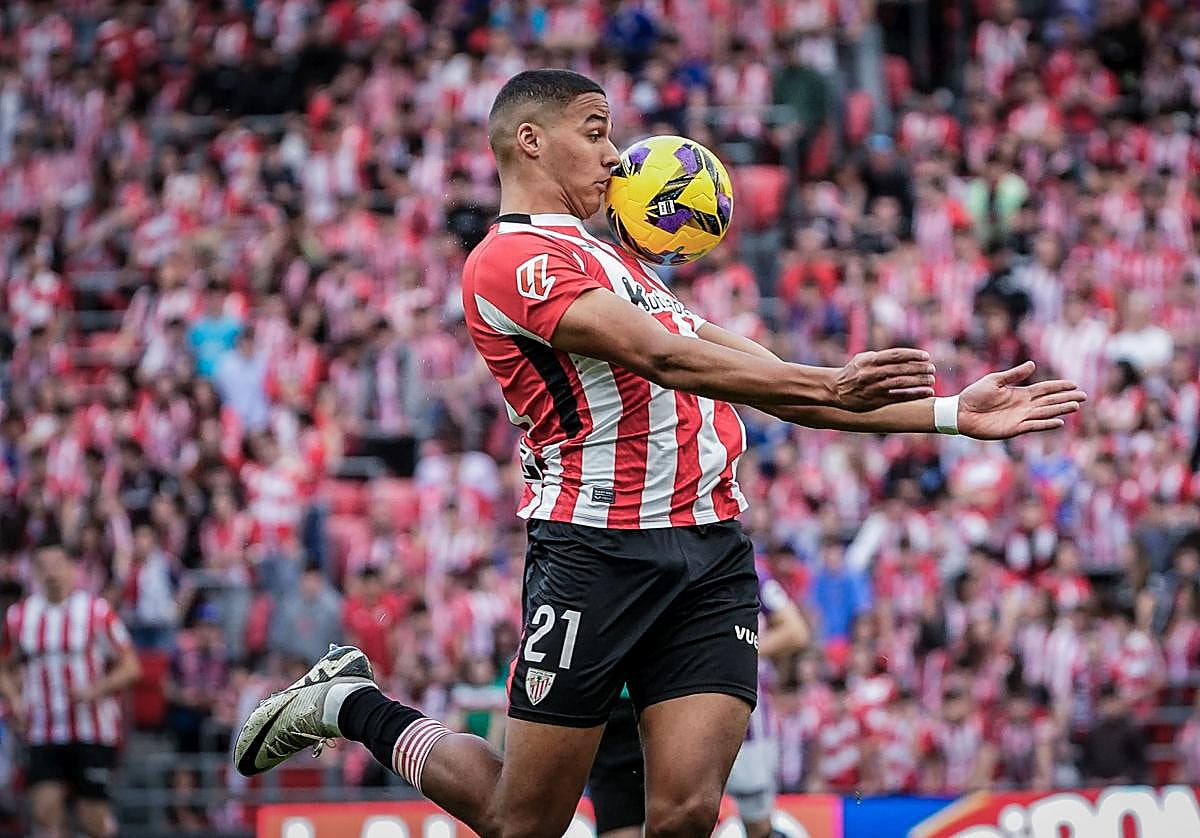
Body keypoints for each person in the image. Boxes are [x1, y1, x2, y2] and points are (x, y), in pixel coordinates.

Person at [233, 68, 1086, 837]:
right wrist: (826, 383)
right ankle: (352, 702)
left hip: (710, 553)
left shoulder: (618, 263)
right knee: (521, 821)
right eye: (596, 132)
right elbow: (666, 359)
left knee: (682, 813)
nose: (615, 157)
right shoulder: (510, 260)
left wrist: (948, 413)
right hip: (595, 552)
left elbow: (768, 378)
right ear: (530, 140)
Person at [589, 568, 810, 838]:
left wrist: (731, 653)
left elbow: (795, 631)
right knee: (670, 813)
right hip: (647, 703)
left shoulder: (745, 570)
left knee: (747, 815)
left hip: (727, 708)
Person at [0, 541, 141, 838]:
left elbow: (131, 667)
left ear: (71, 569)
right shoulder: (20, 616)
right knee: (45, 812)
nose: (52, 573)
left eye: (57, 565)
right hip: (43, 731)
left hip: (92, 730)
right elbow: (4, 666)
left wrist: (96, 689)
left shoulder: (96, 611)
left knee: (92, 820)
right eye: (44, 566)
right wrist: (15, 699)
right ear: (34, 572)